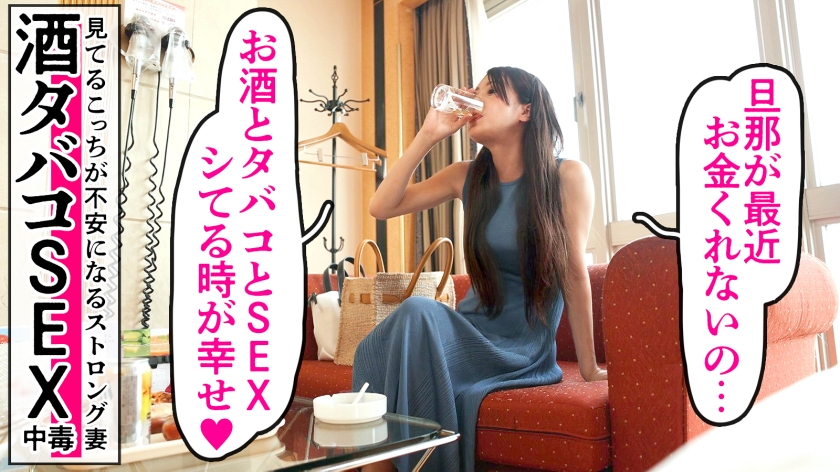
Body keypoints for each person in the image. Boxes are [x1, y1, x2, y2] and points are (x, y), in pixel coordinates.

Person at [352, 66, 607, 472]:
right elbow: (381, 207)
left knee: (417, 313)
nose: (474, 100)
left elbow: (575, 274)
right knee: (374, 347)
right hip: (470, 330)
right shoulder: (466, 176)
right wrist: (429, 134)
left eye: (490, 92)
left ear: (525, 110)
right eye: (476, 91)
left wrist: (590, 367)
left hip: (519, 347)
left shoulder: (567, 176)